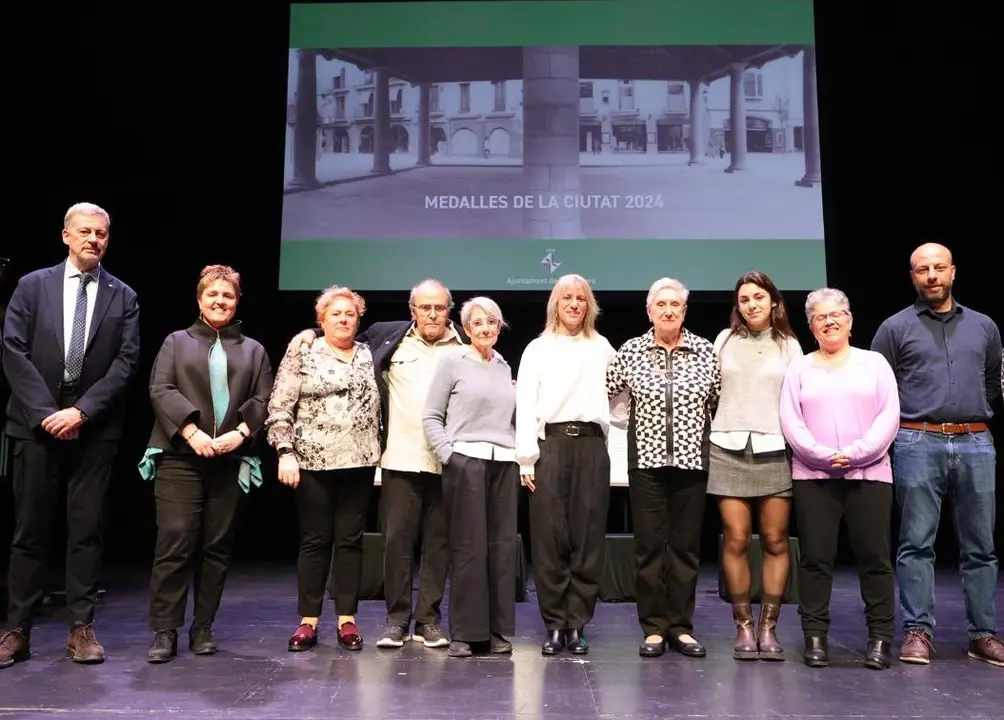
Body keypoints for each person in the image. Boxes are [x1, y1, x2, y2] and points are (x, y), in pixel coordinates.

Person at [287, 278, 466, 649]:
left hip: (449, 461)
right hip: (400, 457)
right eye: (425, 307)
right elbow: (339, 331)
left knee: (438, 544)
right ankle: (397, 620)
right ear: (412, 310)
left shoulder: (466, 346)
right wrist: (305, 332)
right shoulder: (388, 338)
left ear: (449, 310)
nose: (432, 314)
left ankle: (428, 620)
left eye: (439, 307)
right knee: (396, 543)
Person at [0, 202, 140, 668]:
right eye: (85, 232)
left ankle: (81, 628)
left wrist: (80, 412)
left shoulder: (123, 296)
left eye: (101, 233)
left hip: (92, 431)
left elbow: (125, 364)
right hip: (34, 427)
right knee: (29, 532)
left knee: (86, 532)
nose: (93, 240)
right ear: (65, 235)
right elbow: (13, 350)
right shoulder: (31, 286)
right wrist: (45, 413)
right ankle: (17, 628)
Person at [871, 242, 1004, 668]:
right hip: (917, 440)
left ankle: (983, 634)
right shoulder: (894, 328)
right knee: (916, 543)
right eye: (922, 269)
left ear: (953, 272)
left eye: (938, 268)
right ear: (912, 277)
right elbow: (879, 390)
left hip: (975, 440)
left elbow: (991, 383)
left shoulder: (984, 326)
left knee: (981, 547)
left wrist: (970, 415)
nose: (931, 276)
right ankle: (918, 632)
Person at [140, 265, 274, 663]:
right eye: (212, 294)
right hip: (181, 456)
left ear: (237, 302)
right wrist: (192, 432)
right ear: (199, 299)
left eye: (228, 295)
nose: (220, 301)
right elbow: (160, 388)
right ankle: (165, 629)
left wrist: (240, 434)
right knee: (175, 540)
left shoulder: (254, 350)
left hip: (230, 460)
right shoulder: (176, 342)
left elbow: (264, 399)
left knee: (216, 547)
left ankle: (203, 628)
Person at [779, 288, 899, 670]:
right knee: (816, 558)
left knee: (875, 558)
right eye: (820, 317)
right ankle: (814, 637)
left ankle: (880, 638)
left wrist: (858, 452)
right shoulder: (800, 367)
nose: (829, 321)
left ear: (849, 320)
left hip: (871, 474)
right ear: (811, 326)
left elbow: (888, 416)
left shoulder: (875, 363)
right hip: (813, 475)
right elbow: (790, 419)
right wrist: (820, 455)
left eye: (836, 315)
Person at [606, 277, 718, 659]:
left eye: (676, 305)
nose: (669, 310)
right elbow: (601, 392)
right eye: (661, 305)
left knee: (685, 549)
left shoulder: (705, 351)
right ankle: (654, 627)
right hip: (647, 464)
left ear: (684, 311)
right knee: (650, 548)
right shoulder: (631, 350)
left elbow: (717, 404)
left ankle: (681, 627)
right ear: (649, 311)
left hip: (691, 463)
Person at [269, 286, 381, 652]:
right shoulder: (302, 352)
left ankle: (347, 620)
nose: (344, 319)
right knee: (316, 541)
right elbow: (279, 407)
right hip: (313, 463)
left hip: (360, 463)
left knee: (350, 542)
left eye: (350, 314)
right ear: (321, 320)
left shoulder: (369, 352)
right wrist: (285, 451)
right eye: (335, 314)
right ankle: (308, 621)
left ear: (358, 319)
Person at [515, 274, 617, 656]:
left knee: (587, 538)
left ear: (589, 305)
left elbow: (619, 396)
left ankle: (578, 624)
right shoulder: (538, 349)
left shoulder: (602, 347)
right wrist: (527, 458)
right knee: (550, 538)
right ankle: (554, 624)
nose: (574, 304)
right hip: (551, 447)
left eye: (581, 298)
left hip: (591, 448)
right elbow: (525, 404)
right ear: (554, 304)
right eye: (566, 298)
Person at [708, 271, 802, 662]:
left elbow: (798, 398)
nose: (752, 304)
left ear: (773, 301)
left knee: (777, 540)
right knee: (735, 538)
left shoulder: (790, 346)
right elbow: (711, 392)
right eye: (745, 299)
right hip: (727, 446)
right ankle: (744, 626)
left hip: (775, 447)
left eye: (759, 297)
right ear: (738, 305)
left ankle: (769, 627)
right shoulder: (724, 341)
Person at [422, 297, 518, 658]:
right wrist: (450, 456)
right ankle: (464, 631)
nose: (485, 328)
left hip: (503, 464)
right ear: (466, 328)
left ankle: (495, 631)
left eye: (492, 322)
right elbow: (431, 415)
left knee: (501, 550)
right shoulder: (453, 362)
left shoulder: (503, 366)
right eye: (478, 322)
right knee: (468, 549)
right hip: (466, 463)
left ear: (499, 326)